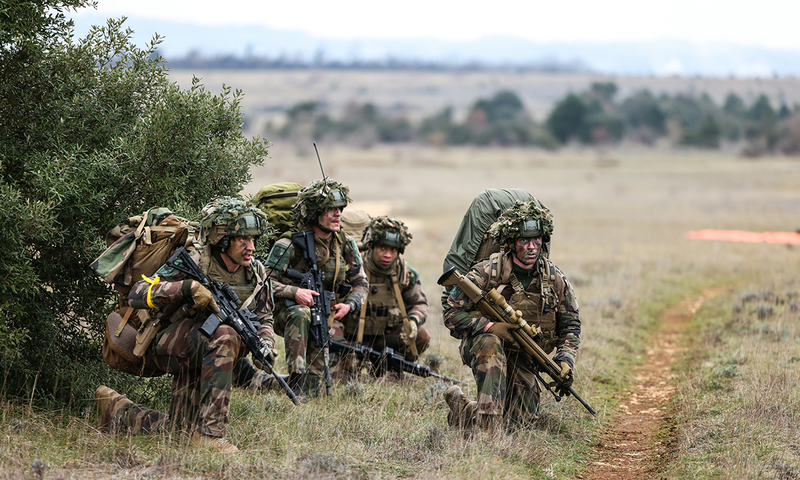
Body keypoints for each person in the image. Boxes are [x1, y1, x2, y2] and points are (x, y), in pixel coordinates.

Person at [95, 197, 276, 453]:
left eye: (254, 239)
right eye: (243, 239)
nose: (251, 247)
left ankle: (117, 410)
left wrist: (266, 343)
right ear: (223, 239)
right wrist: (187, 287)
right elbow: (138, 293)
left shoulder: (256, 272)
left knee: (180, 432)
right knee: (225, 336)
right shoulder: (196, 260)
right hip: (169, 345)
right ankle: (212, 436)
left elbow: (264, 316)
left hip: (206, 350)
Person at [442, 201, 580, 432]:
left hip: (524, 353)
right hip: (483, 345)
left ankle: (464, 409)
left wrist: (565, 360)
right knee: (491, 344)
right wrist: (489, 327)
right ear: (510, 242)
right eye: (524, 241)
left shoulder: (554, 278)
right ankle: (488, 435)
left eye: (537, 240)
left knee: (521, 421)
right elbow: (451, 314)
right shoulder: (486, 271)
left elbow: (571, 324)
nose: (531, 247)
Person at [265, 179, 368, 398]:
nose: (338, 214)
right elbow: (263, 282)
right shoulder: (289, 243)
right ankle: (296, 376)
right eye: (330, 210)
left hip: (322, 313)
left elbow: (361, 283)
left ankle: (278, 384)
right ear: (314, 214)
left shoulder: (345, 243)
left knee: (314, 390)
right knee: (301, 314)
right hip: (286, 313)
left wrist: (350, 304)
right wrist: (295, 292)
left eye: (339, 209)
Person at [341, 216, 429, 367]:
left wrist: (413, 320)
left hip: (385, 338)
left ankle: (390, 368)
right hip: (351, 337)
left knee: (421, 336)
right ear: (371, 246)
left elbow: (420, 304)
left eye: (393, 250)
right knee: (344, 375)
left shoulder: (404, 271)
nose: (388, 255)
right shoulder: (353, 265)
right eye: (382, 248)